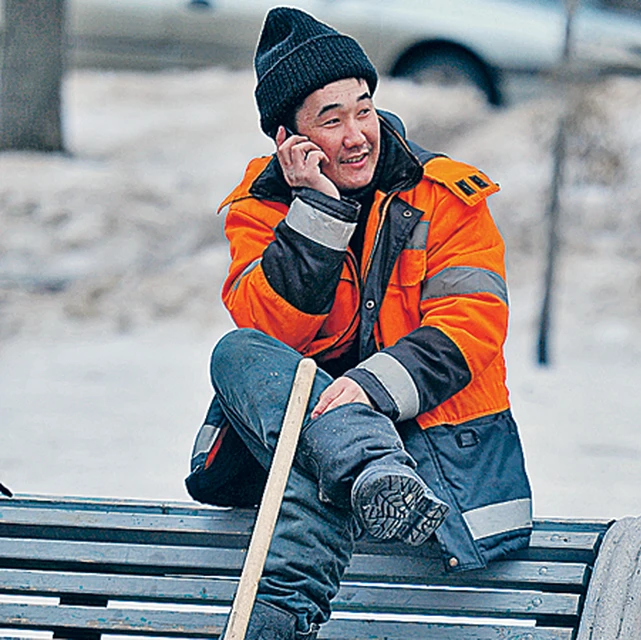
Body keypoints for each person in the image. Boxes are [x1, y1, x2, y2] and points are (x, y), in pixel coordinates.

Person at [183, 7, 533, 639]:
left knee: (308, 453)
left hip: (431, 474)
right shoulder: (262, 208)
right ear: (288, 141)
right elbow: (274, 336)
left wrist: (371, 388)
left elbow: (474, 321)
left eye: (363, 108)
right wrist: (317, 210)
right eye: (330, 118)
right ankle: (367, 465)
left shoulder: (444, 197)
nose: (356, 134)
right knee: (238, 351)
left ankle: (282, 614)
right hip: (351, 468)